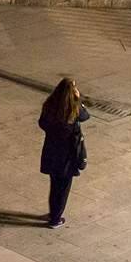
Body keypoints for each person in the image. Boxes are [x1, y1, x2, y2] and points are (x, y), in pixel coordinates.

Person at [38, 77, 89, 229]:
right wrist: (78, 99)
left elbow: (42, 123)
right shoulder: (74, 109)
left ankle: (53, 212)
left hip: (52, 152)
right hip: (68, 156)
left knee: (54, 185)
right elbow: (86, 116)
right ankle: (55, 219)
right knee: (63, 188)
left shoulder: (49, 105)